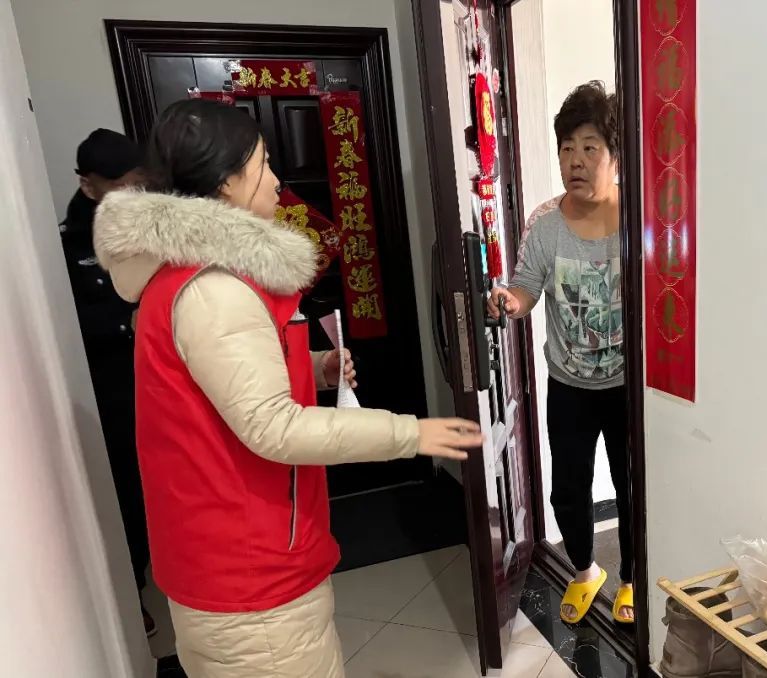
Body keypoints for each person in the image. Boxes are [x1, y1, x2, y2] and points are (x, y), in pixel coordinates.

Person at [92, 99, 481, 678]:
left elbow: (226, 383)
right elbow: (273, 426)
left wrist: (319, 368)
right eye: (263, 165)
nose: (277, 181)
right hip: (249, 579)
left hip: (231, 560)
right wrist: (410, 433)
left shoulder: (189, 276)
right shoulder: (212, 288)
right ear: (225, 182)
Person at [487, 81, 632, 625]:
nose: (576, 160)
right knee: (567, 489)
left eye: (590, 147)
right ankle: (585, 571)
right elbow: (527, 285)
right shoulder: (545, 224)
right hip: (568, 384)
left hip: (627, 385)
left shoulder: (639, 215)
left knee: (632, 487)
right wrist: (511, 301)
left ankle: (632, 578)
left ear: (615, 155)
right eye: (567, 147)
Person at [60, 129, 156, 636]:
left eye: (138, 184)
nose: (132, 195)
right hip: (114, 391)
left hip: (163, 380)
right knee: (126, 495)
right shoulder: (68, 246)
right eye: (120, 186)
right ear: (89, 185)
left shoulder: (153, 227)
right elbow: (69, 323)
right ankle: (130, 591)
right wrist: (128, 323)